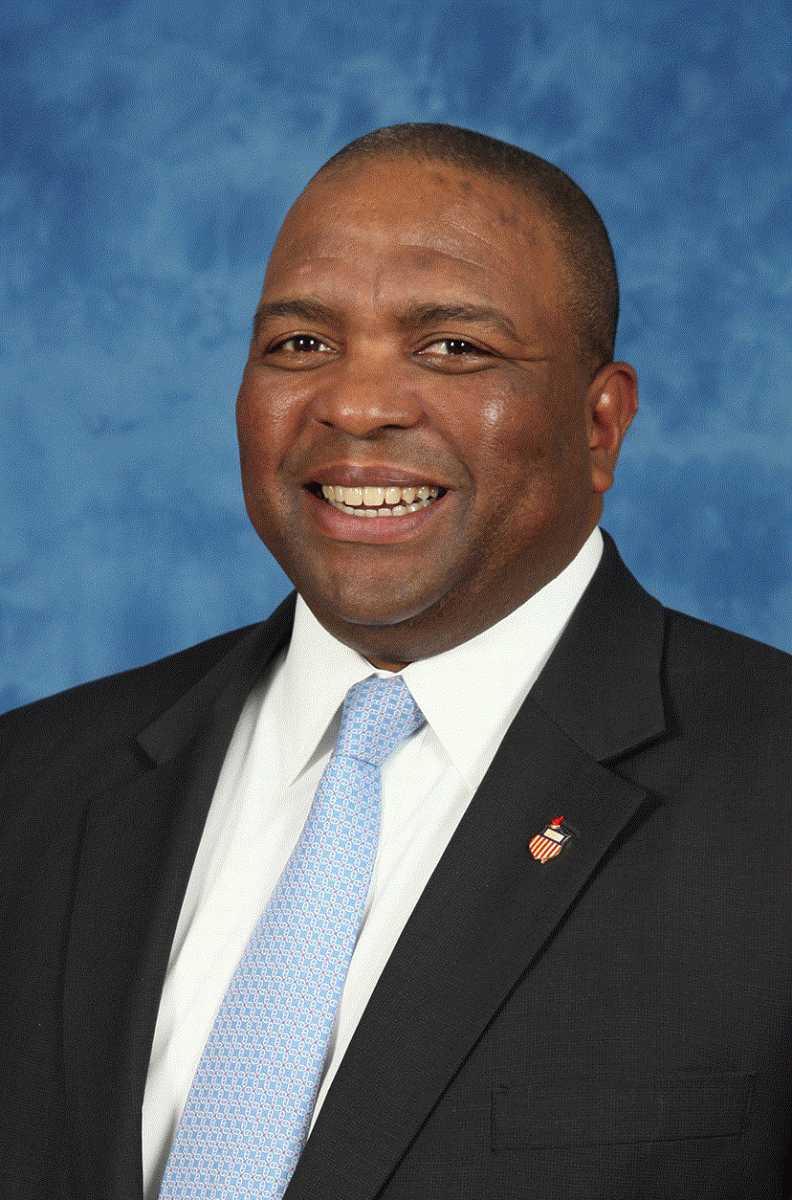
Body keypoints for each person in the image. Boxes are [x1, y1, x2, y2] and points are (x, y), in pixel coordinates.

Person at [1, 123, 790, 1200]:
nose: (357, 404)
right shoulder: (33, 785)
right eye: (301, 345)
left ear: (601, 426)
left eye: (453, 347)